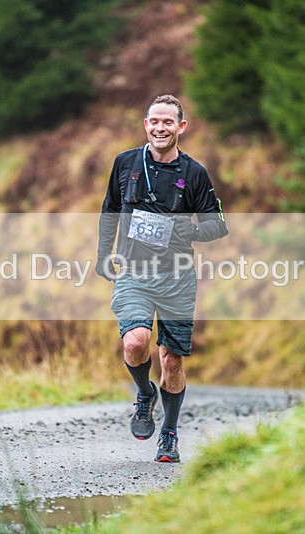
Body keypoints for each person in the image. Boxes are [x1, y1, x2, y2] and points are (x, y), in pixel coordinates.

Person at [96, 94, 228, 462]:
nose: (160, 128)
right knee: (136, 343)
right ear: (146, 124)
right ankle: (144, 393)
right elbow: (109, 211)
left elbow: (218, 226)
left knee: (170, 360)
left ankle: (168, 432)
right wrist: (103, 255)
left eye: (168, 122)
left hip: (177, 279)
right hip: (135, 273)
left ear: (181, 127)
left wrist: (189, 232)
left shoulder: (195, 173)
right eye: (154, 121)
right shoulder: (125, 163)